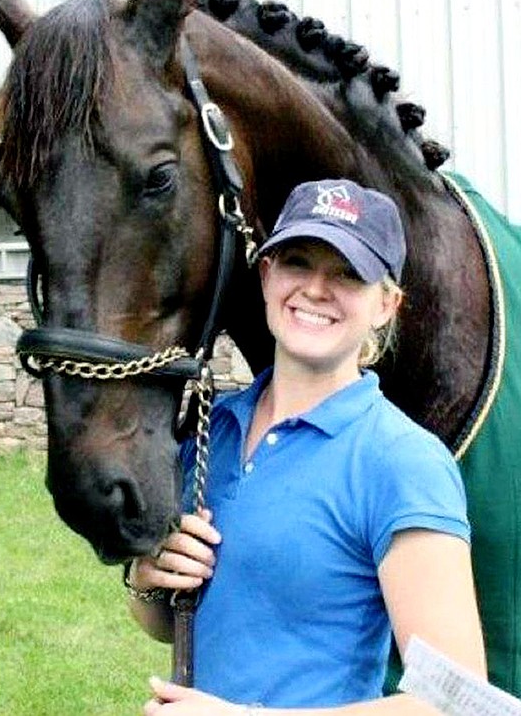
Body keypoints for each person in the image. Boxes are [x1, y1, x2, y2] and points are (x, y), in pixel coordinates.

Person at [125, 178, 486, 714]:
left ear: (386, 304)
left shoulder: (401, 462)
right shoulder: (211, 430)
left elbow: (457, 702)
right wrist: (149, 579)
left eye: (348, 273)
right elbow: (172, 621)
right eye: (297, 261)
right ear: (267, 276)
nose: (316, 289)